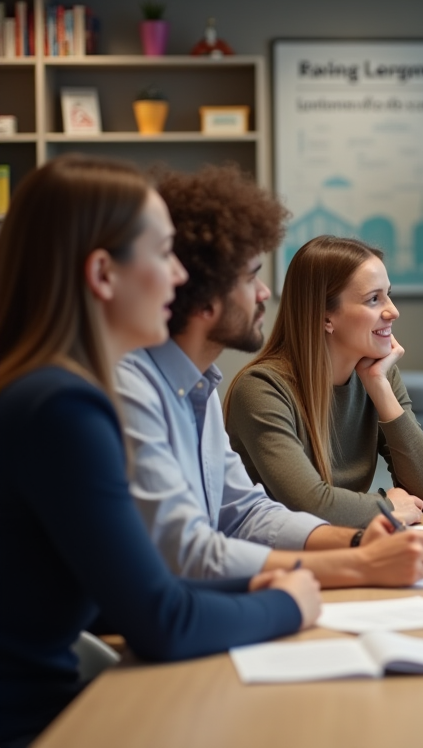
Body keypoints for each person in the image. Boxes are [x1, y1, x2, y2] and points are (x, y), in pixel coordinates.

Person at [0, 155, 321, 748]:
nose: (180, 277)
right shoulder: (62, 409)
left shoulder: (45, 390)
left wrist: (260, 587)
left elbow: (126, 591)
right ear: (103, 274)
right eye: (164, 252)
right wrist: (290, 603)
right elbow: (161, 620)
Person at [117, 165, 423, 586]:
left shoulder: (202, 389)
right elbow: (190, 553)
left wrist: (357, 541)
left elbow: (246, 513)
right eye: (251, 276)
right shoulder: (149, 389)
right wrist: (367, 538)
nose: (264, 293)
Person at [225, 236, 423, 529]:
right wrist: (387, 505)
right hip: (276, 562)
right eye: (373, 299)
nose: (393, 311)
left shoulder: (377, 373)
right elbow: (308, 504)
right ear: (325, 317)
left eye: (388, 294)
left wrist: (379, 387)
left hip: (345, 549)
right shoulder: (261, 389)